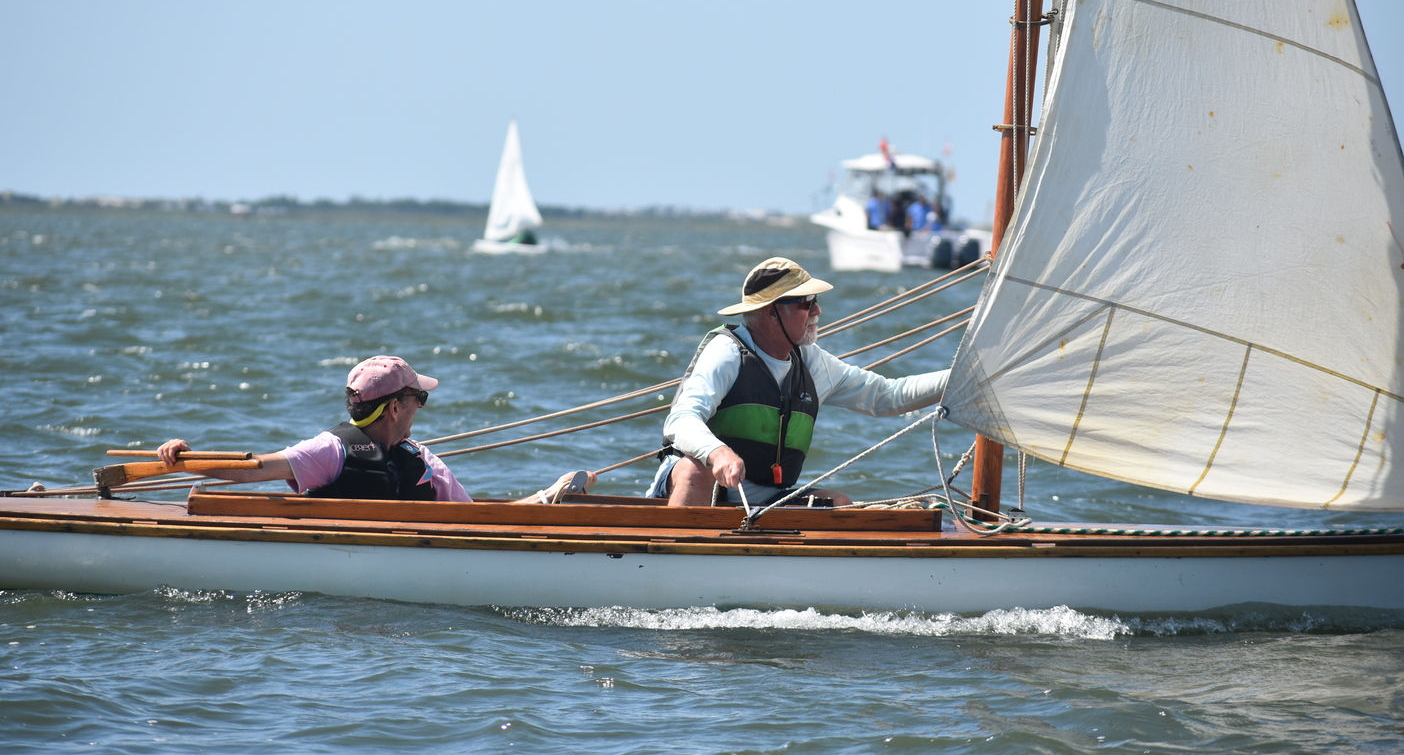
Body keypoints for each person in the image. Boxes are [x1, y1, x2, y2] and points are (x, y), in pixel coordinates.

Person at [648, 258, 949, 508]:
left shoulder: (812, 361)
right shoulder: (727, 352)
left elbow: (886, 396)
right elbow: (681, 421)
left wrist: (959, 377)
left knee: (839, 504)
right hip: (701, 490)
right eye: (807, 303)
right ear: (771, 312)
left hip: (767, 499)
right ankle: (676, 560)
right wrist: (719, 454)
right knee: (695, 471)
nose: (817, 311)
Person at [157, 355, 590, 503]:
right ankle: (545, 498)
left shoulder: (423, 462)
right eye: (419, 398)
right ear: (395, 407)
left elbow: (472, 518)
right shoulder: (332, 450)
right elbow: (252, 470)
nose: (421, 407)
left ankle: (544, 498)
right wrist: (182, 460)